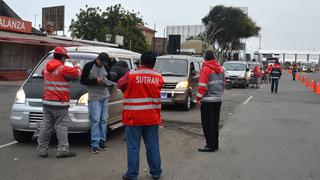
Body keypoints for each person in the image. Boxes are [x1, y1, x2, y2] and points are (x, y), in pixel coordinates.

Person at [118, 52, 164, 180]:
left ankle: (132, 174)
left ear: (140, 61)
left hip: (133, 117)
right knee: (153, 145)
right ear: (154, 63)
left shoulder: (131, 74)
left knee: (133, 146)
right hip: (152, 117)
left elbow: (120, 84)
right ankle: (156, 172)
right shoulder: (158, 77)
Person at [37, 47, 81, 158]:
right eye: (65, 58)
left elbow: (43, 75)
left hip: (47, 102)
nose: (65, 60)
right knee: (61, 127)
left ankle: (42, 149)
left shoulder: (46, 68)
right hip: (60, 103)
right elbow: (77, 74)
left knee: (46, 126)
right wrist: (76, 65)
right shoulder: (63, 69)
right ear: (62, 57)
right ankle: (63, 150)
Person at [80, 52, 114, 154]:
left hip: (105, 96)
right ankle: (94, 144)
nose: (103, 65)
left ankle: (101, 141)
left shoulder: (106, 67)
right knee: (95, 120)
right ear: (98, 59)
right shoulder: (89, 66)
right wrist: (95, 80)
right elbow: (82, 81)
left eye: (105, 63)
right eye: (102, 62)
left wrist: (107, 81)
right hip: (94, 96)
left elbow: (111, 80)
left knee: (103, 120)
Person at [196, 50, 224, 152]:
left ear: (205, 58)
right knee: (215, 123)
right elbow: (223, 83)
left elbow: (202, 86)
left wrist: (198, 99)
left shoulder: (206, 69)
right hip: (217, 99)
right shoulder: (220, 69)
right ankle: (215, 144)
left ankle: (210, 145)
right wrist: (219, 94)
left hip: (207, 101)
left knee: (208, 124)